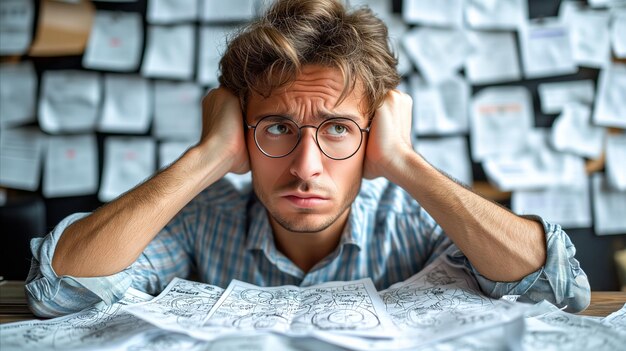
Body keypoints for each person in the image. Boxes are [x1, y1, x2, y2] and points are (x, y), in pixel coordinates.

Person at [25, 0, 590, 317]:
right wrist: (206, 156)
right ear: (242, 132)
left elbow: (556, 292)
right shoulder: (206, 218)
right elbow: (63, 286)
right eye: (276, 128)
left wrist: (403, 161)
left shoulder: (416, 219)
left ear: (374, 133)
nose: (304, 167)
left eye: (339, 129)